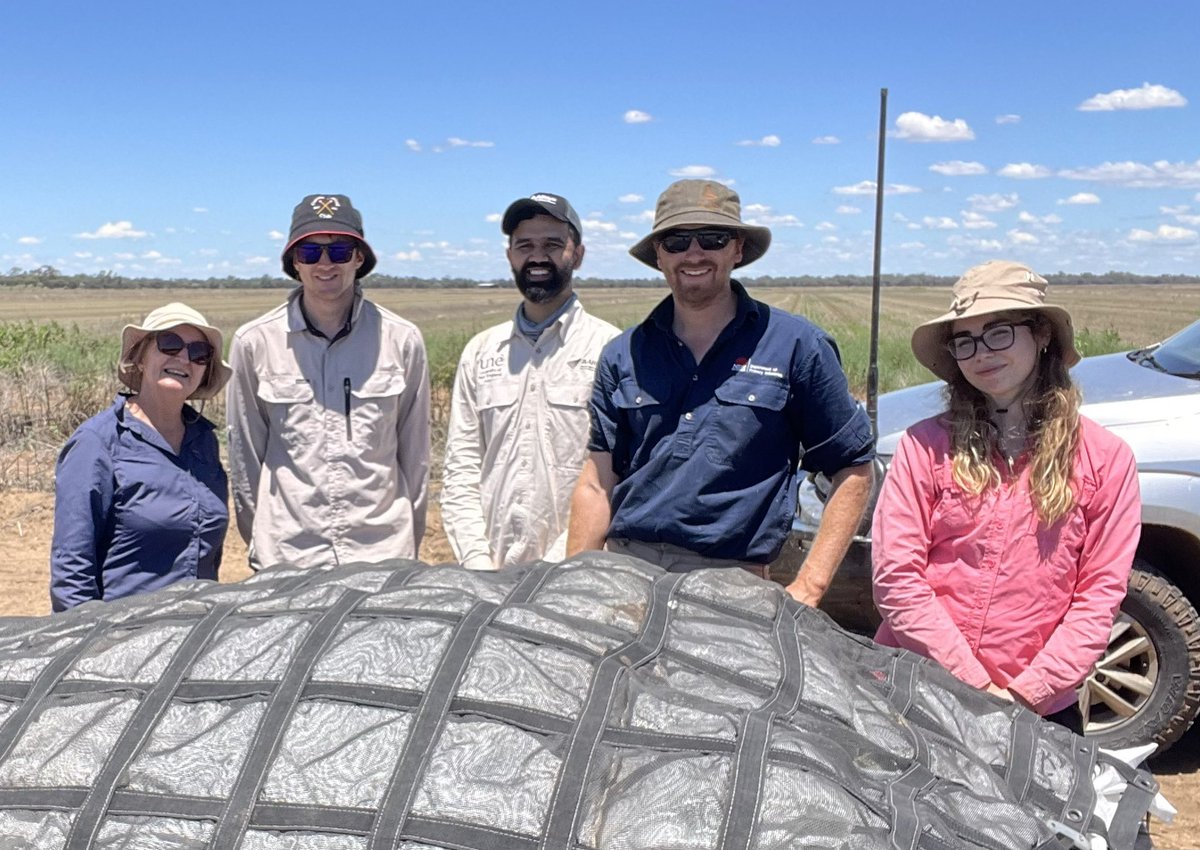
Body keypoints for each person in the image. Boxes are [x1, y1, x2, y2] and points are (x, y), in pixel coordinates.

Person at [567, 179, 875, 604]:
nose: (694, 253)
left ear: (738, 249)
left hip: (734, 584)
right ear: (659, 255)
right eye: (676, 241)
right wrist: (574, 583)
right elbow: (598, 483)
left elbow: (854, 468)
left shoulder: (795, 345)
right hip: (626, 572)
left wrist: (810, 585)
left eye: (712, 238)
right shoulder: (624, 354)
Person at [871, 260, 1140, 718]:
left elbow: (1099, 595)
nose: (981, 353)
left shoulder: (1106, 458)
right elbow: (896, 577)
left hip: (1039, 708)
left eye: (999, 332)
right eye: (965, 341)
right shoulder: (924, 446)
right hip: (918, 690)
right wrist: (972, 682)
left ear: (1041, 335)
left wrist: (1024, 694)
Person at [226, 194, 430, 569]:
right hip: (288, 556)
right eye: (309, 252)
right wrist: (262, 539)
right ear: (294, 263)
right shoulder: (254, 343)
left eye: (339, 251)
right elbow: (246, 461)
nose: (325, 264)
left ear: (358, 258)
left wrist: (406, 546)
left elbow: (415, 457)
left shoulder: (401, 339)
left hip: (381, 552)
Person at [441, 193, 619, 570]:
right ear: (510, 257)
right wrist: (475, 560)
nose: (538, 256)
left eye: (553, 244)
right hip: (489, 570)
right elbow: (462, 468)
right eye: (525, 245)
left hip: (576, 569)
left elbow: (616, 475)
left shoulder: (611, 350)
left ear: (579, 255)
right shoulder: (481, 352)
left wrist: (560, 562)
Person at [50, 303, 232, 611]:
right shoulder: (98, 444)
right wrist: (88, 649)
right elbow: (72, 572)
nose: (184, 358)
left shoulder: (204, 442)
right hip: (124, 640)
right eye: (169, 344)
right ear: (141, 357)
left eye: (199, 352)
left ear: (204, 370)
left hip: (195, 635)